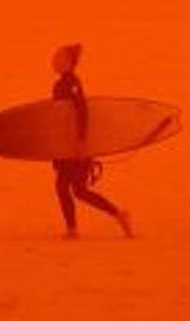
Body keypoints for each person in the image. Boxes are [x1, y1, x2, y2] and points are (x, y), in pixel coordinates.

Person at [51, 44, 133, 239]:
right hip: (67, 145)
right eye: (55, 57)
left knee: (69, 189)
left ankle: (78, 227)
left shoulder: (72, 83)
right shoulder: (61, 83)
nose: (55, 61)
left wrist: (80, 142)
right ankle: (117, 215)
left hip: (75, 145)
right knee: (76, 190)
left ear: (70, 63)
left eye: (59, 58)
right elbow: (58, 117)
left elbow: (82, 111)